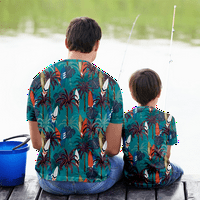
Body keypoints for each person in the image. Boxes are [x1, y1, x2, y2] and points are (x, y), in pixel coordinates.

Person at [27, 17, 124, 195]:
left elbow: (37, 143)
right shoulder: (110, 85)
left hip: (50, 182)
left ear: (66, 42)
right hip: (94, 182)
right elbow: (112, 149)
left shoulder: (39, 81)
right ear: (97, 45)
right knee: (120, 163)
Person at [122, 68, 184, 188]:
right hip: (160, 179)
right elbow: (167, 155)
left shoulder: (125, 118)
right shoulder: (168, 119)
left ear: (132, 94)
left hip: (131, 178)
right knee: (179, 170)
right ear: (159, 93)